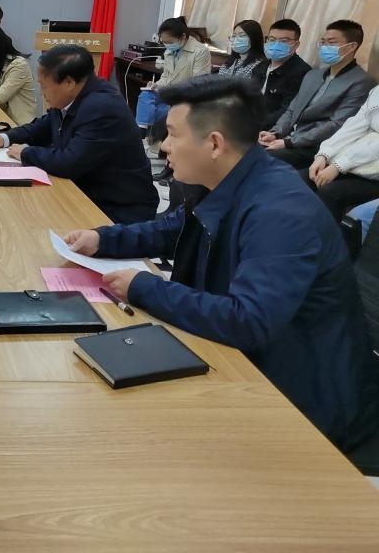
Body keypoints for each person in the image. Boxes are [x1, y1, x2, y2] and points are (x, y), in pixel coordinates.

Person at [63, 75, 379, 451]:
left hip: (300, 402)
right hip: (243, 362)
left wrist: (143, 287)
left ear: (214, 143)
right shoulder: (233, 178)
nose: (164, 146)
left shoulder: (280, 212)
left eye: (173, 134)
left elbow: (248, 320)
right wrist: (103, 238)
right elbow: (172, 228)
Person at [0, 44, 156, 224]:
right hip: (87, 192)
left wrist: (25, 152)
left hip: (118, 210)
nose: (42, 93)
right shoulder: (71, 97)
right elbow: (42, 127)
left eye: (44, 86)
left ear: (69, 83)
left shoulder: (101, 107)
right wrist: (4, 138)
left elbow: (70, 162)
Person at [259, 19, 374, 169]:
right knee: (245, 148)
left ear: (352, 46)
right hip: (288, 139)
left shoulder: (361, 82)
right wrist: (275, 133)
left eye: (331, 43)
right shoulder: (313, 75)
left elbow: (336, 124)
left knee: (262, 159)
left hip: (315, 147)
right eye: (323, 42)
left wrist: (289, 142)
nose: (325, 47)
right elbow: (292, 110)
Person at [303, 84, 379, 221]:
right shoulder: (376, 91)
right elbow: (353, 127)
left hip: (371, 171)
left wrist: (339, 166)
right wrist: (324, 155)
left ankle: (326, 235)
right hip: (358, 162)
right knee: (303, 178)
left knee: (330, 192)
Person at [135, 16, 211, 138]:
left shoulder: (200, 51)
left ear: (183, 37)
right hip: (169, 93)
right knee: (146, 95)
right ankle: (141, 133)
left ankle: (148, 137)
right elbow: (166, 77)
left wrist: (175, 93)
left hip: (186, 98)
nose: (167, 46)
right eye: (164, 42)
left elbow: (199, 84)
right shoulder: (168, 52)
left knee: (156, 111)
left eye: (170, 42)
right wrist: (156, 85)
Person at [260, 19, 311, 128]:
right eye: (272, 39)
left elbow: (287, 111)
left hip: (269, 129)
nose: (276, 44)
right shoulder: (260, 66)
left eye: (284, 41)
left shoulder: (302, 72)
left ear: (296, 45)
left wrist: (254, 124)